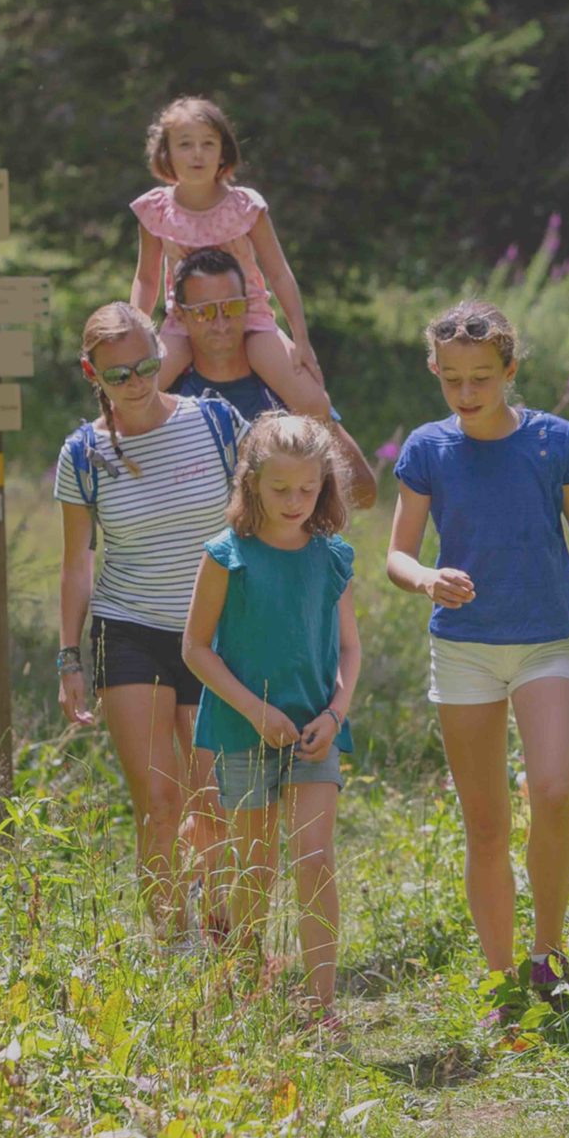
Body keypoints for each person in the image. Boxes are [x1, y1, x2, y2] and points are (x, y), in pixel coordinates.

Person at [384, 300, 569, 1008]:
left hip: (546, 643)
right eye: (453, 380)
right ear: (435, 372)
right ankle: (502, 980)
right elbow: (396, 554)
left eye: (482, 379)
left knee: (555, 791)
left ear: (510, 371)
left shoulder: (552, 442)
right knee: (488, 823)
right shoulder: (427, 450)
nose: (467, 395)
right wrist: (427, 578)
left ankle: (546, 955)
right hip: (465, 650)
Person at [54, 301, 244, 949]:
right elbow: (78, 561)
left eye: (145, 366)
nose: (135, 383)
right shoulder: (83, 452)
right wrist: (67, 656)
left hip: (212, 631)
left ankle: (222, 942)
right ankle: (169, 946)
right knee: (160, 804)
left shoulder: (215, 422)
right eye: (118, 375)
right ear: (91, 373)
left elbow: (265, 513)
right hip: (127, 629)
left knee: (214, 800)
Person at [181, 416, 363, 1025]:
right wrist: (256, 712)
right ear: (250, 482)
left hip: (316, 734)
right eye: (279, 488)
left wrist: (336, 713)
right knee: (254, 864)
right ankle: (245, 992)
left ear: (325, 485)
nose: (293, 502)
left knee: (314, 858)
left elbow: (349, 650)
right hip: (242, 730)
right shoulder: (226, 556)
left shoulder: (331, 557)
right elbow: (195, 649)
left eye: (306, 490)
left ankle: (321, 1006)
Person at [126, 95, 330, 418]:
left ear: (224, 151)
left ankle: (315, 467)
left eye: (208, 143)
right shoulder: (155, 211)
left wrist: (301, 339)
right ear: (166, 152)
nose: (197, 154)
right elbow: (146, 278)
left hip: (251, 321)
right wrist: (137, 337)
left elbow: (279, 273)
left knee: (315, 402)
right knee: (133, 396)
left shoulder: (245, 207)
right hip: (184, 324)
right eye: (185, 144)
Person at [167, 244, 379, 509]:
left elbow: (365, 493)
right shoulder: (167, 399)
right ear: (179, 313)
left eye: (231, 307)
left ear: (248, 305)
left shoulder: (286, 388)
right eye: (204, 312)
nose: (220, 324)